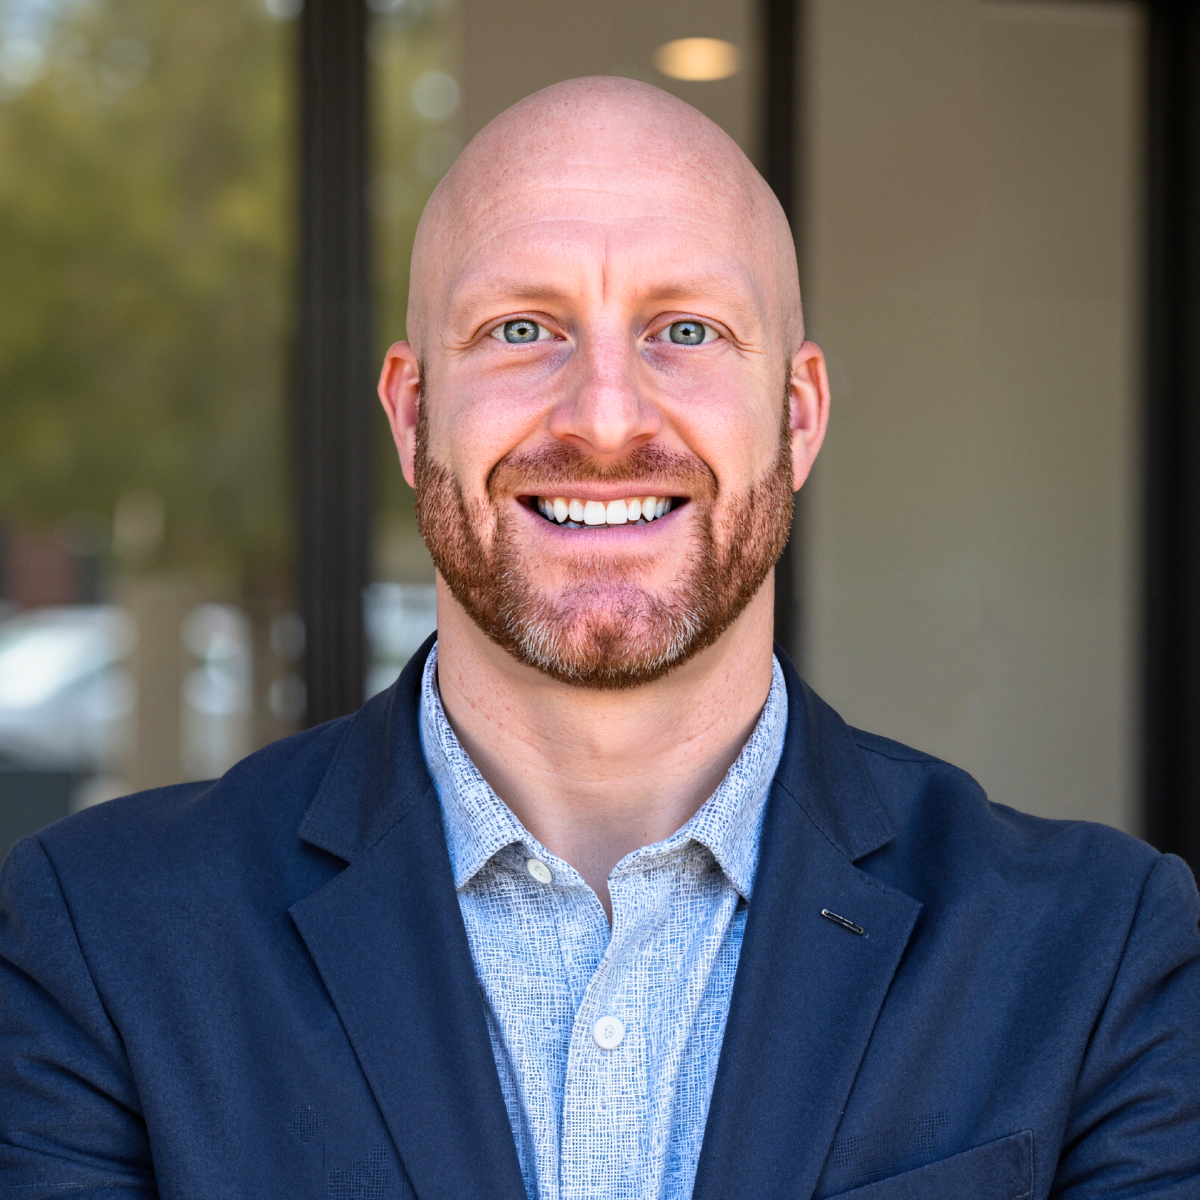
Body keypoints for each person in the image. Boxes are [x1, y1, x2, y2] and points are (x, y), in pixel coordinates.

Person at [1, 76, 1198, 1200]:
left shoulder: (1096, 957)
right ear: (414, 417)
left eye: (686, 330)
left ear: (798, 413)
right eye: (524, 329)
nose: (608, 418)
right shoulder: (101, 943)